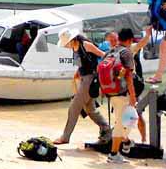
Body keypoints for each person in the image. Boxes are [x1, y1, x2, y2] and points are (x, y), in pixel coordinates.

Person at [53, 29, 110, 146]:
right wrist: (78, 72)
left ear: (72, 40)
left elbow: (104, 55)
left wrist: (100, 71)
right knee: (90, 110)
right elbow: (83, 63)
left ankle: (65, 137)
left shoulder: (85, 45)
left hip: (90, 80)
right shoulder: (75, 47)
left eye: (66, 43)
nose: (65, 46)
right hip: (84, 79)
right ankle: (107, 129)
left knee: (74, 107)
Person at [106, 28, 138, 164]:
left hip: (111, 93)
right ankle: (113, 154)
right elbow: (129, 76)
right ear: (130, 40)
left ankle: (126, 141)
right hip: (122, 93)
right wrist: (133, 95)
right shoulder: (126, 52)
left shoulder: (111, 51)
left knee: (128, 120)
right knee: (122, 123)